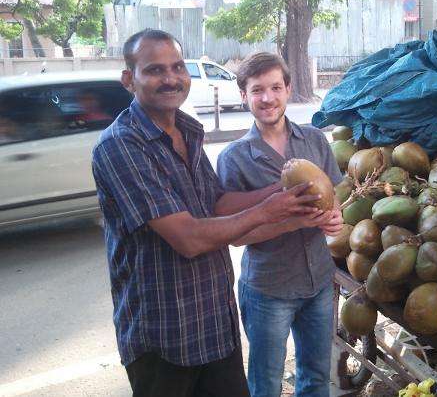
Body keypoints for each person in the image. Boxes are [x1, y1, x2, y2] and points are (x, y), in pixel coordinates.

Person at [91, 29, 322, 397]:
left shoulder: (187, 129)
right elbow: (188, 238)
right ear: (128, 80)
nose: (170, 78)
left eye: (177, 66)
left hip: (214, 324)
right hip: (164, 335)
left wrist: (285, 190)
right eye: (154, 70)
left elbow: (216, 203)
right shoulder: (121, 146)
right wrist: (268, 210)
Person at [216, 52, 345, 397]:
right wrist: (289, 221)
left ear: (288, 89)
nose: (268, 98)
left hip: (318, 281)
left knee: (317, 378)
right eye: (257, 90)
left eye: (275, 87)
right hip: (268, 291)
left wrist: (336, 216)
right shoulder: (235, 158)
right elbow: (236, 235)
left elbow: (335, 192)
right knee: (265, 385)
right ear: (244, 95)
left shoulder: (315, 140)